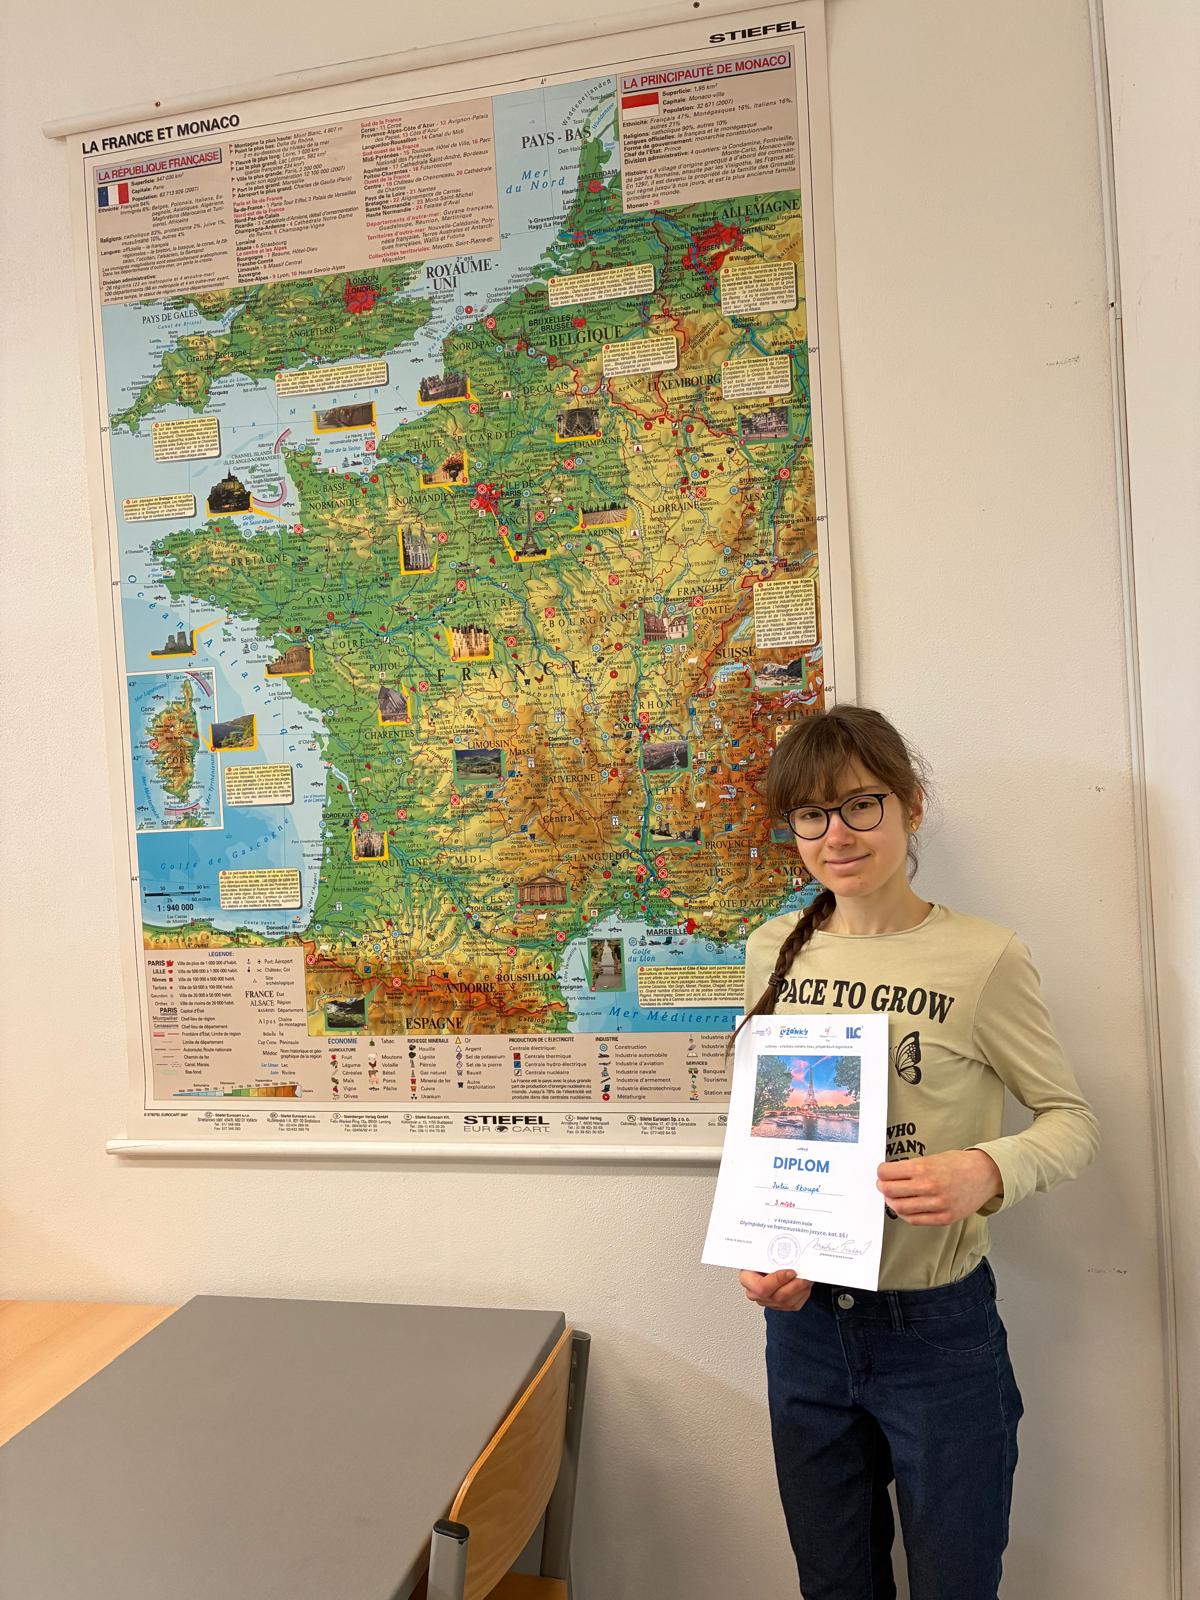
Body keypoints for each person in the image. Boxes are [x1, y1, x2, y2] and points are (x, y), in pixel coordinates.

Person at [737, 704, 1099, 1600]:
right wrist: (766, 1246)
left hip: (937, 1331)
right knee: (834, 1586)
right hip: (806, 1332)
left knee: (955, 1584)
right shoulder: (771, 951)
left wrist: (988, 1169)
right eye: (811, 815)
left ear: (911, 806)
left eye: (861, 805)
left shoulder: (982, 956)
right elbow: (770, 1131)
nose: (837, 834)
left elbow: (1069, 1119)